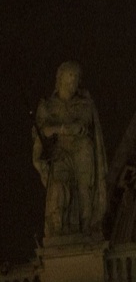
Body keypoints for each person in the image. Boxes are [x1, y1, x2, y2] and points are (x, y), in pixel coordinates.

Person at [33, 61, 108, 238]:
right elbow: (40, 130)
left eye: (74, 81)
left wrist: (58, 128)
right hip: (61, 152)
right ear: (59, 81)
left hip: (83, 150)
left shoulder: (85, 104)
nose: (71, 85)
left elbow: (84, 124)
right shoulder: (47, 106)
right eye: (68, 81)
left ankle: (87, 229)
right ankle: (59, 229)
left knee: (85, 190)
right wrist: (60, 130)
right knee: (59, 187)